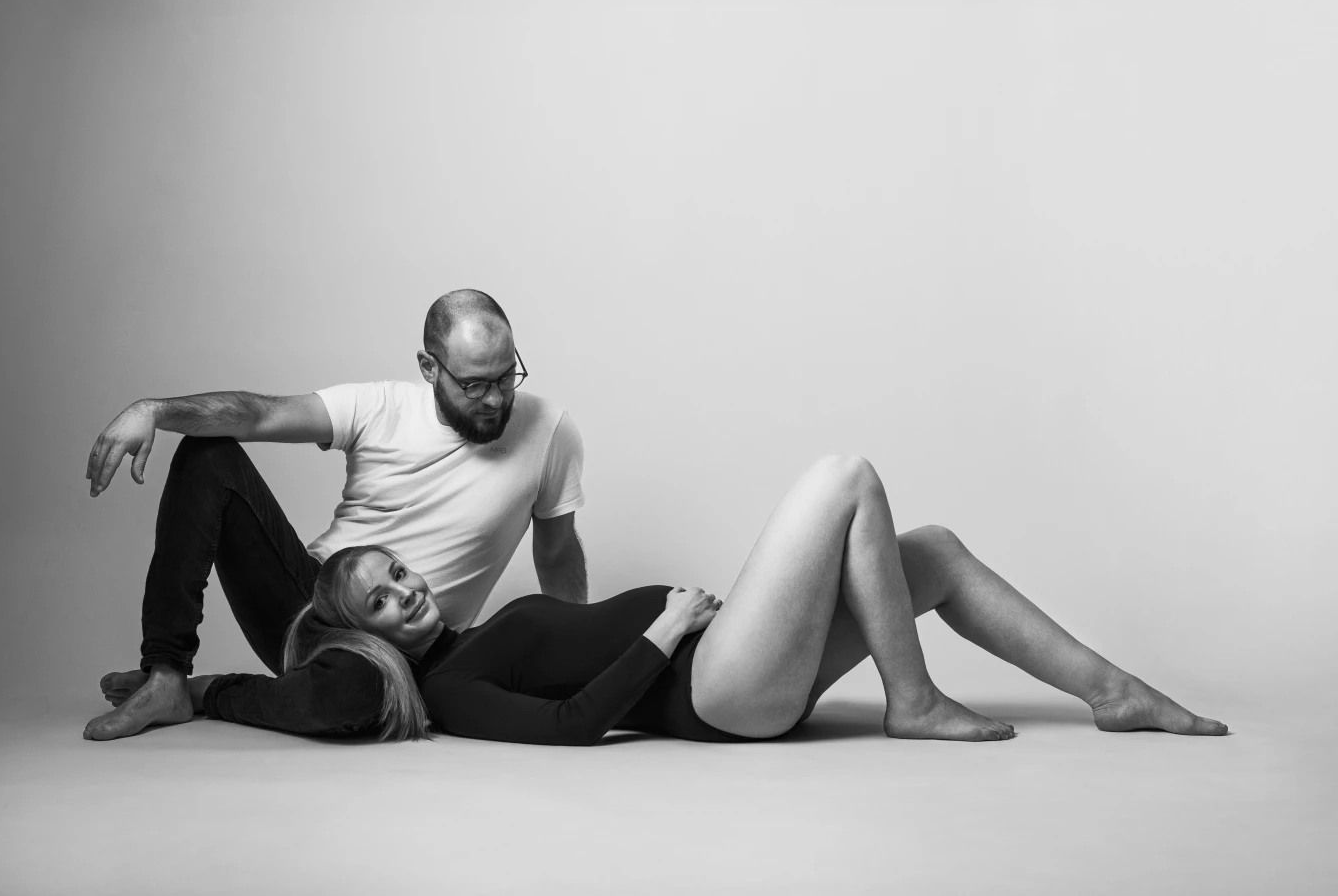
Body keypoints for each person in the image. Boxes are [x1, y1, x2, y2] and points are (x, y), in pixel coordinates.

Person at [97, 455, 1228, 744]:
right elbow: (570, 725)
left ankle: (1113, 691)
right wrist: (668, 628)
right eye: (386, 602)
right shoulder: (453, 686)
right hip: (713, 689)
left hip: (730, 660)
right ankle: (914, 700)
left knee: (927, 551)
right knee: (845, 478)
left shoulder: (473, 630)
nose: (407, 588)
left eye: (396, 571)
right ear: (371, 641)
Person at [83, 289, 587, 741]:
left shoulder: (549, 432)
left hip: (404, 647)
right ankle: (167, 675)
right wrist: (153, 411)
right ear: (429, 367)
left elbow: (558, 552)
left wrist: (573, 661)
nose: (495, 399)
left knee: (357, 695)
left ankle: (202, 692)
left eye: (506, 377)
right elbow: (260, 413)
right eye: (474, 385)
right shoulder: (378, 407)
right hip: (308, 607)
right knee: (207, 454)